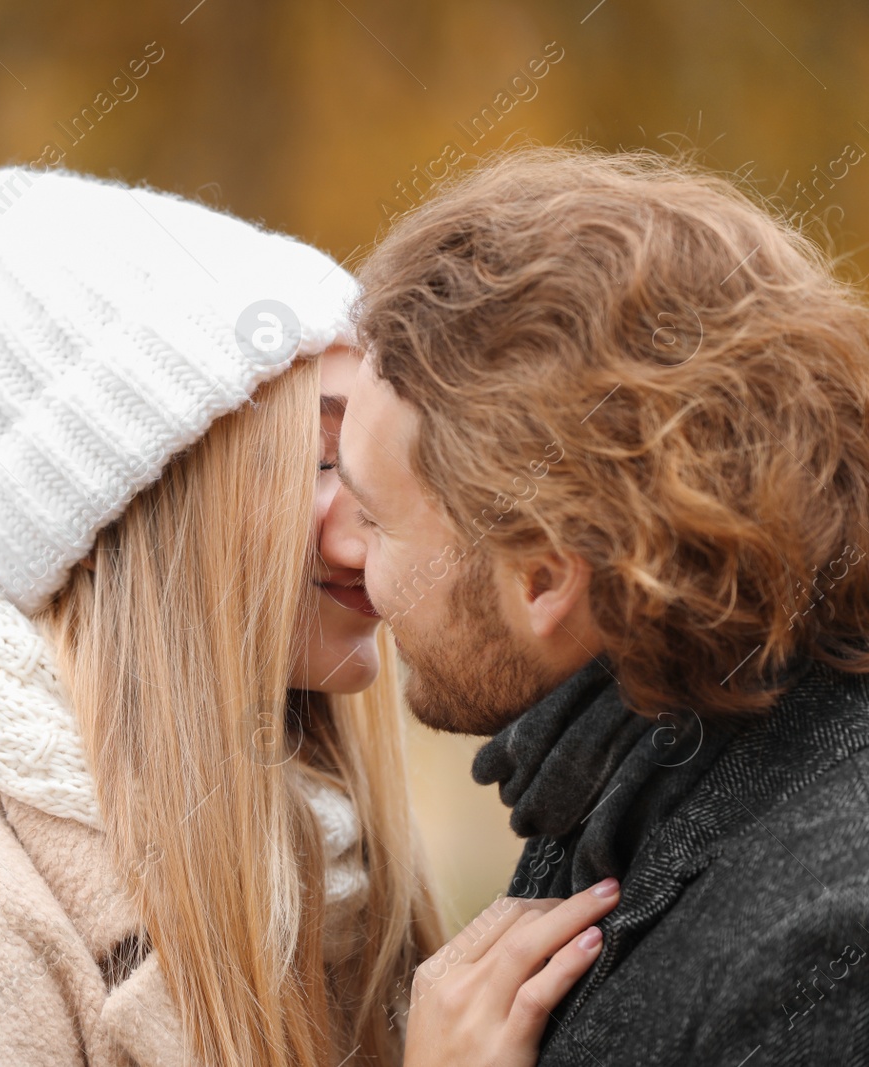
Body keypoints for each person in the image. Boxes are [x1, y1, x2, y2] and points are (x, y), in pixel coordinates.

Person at [0, 167, 612, 1067]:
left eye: (384, 460)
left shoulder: (329, 866)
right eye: (321, 460)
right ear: (143, 512)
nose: (381, 514)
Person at [333, 146, 869, 1065]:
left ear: (542, 579)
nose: (345, 554)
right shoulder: (639, 780)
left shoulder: (819, 950)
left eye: (377, 522)